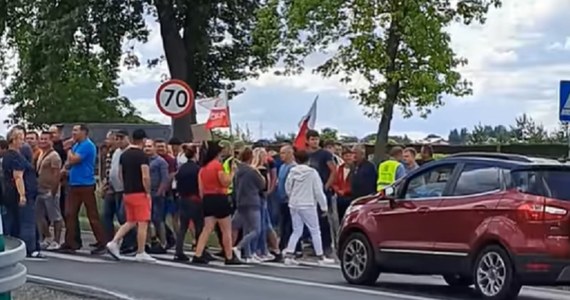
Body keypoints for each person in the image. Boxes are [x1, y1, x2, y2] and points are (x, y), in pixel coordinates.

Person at [106, 129, 156, 263]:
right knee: (143, 222)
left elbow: (120, 174)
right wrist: (148, 192)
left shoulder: (124, 155)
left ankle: (114, 241)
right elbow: (145, 176)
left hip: (127, 192)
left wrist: (126, 186)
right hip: (140, 192)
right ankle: (141, 251)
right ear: (144, 140)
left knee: (131, 221)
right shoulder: (142, 156)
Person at [60, 124, 106, 254]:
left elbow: (74, 159)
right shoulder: (77, 145)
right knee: (70, 213)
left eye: (76, 130)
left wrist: (68, 149)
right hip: (74, 183)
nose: (73, 133)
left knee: (92, 214)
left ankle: (102, 242)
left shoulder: (87, 145)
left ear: (84, 132)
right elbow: (69, 162)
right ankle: (71, 242)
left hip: (85, 184)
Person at [192, 141, 240, 265]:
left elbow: (200, 188)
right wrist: (232, 172)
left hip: (208, 198)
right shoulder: (217, 166)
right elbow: (225, 182)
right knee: (226, 229)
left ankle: (198, 253)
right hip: (219, 196)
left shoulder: (203, 168)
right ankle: (229, 256)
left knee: (207, 228)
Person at [283, 149, 334, 265]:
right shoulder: (312, 173)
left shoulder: (292, 171)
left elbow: (288, 187)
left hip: (294, 204)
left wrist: (291, 196)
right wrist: (324, 207)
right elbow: (318, 191)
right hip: (308, 204)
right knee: (315, 230)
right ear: (308, 160)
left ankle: (289, 255)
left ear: (296, 159)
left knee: (296, 231)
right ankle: (320, 257)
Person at [2, 127, 43, 258]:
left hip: (13, 193)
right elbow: (18, 176)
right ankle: (29, 248)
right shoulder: (14, 156)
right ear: (13, 140)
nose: (23, 141)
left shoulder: (10, 155)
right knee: (27, 221)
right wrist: (22, 195)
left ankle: (19, 247)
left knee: (16, 221)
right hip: (21, 192)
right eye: (20, 138)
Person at [103, 129, 136, 254]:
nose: (118, 141)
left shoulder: (130, 152)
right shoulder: (116, 152)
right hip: (114, 188)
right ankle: (110, 242)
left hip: (125, 189)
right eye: (116, 139)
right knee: (107, 215)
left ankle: (130, 243)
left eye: (121, 138)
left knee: (124, 217)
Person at [231, 148, 265, 263]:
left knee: (246, 228)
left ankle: (248, 255)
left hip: (241, 202)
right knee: (256, 229)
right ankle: (238, 247)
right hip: (252, 201)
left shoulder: (237, 171)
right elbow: (262, 185)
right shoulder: (252, 171)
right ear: (251, 158)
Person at [305, 130, 336, 256]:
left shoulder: (325, 154)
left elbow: (334, 171)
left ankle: (327, 246)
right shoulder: (306, 154)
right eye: (312, 139)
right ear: (307, 140)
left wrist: (326, 186)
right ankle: (315, 245)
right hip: (308, 192)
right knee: (312, 220)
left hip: (322, 190)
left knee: (323, 218)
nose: (314, 141)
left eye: (316, 139)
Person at [173, 145, 203, 261]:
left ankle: (178, 251)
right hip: (194, 199)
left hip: (183, 198)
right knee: (199, 226)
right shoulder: (197, 169)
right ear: (196, 154)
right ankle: (200, 249)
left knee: (183, 227)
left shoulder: (181, 168)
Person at [35, 131, 63, 250]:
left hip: (50, 190)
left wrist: (54, 191)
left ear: (51, 141)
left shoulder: (54, 156)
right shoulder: (41, 154)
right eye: (41, 139)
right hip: (39, 189)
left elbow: (56, 175)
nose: (42, 141)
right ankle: (47, 237)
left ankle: (56, 240)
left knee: (55, 216)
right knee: (39, 215)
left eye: (45, 139)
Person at [275, 144, 301, 258]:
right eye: (281, 153)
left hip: (290, 200)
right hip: (281, 200)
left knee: (290, 225)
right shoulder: (282, 167)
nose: (281, 156)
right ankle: (289, 246)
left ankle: (290, 247)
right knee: (284, 224)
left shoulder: (294, 168)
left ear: (291, 154)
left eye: (283, 153)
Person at [145, 139, 170, 253]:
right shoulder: (145, 161)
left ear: (154, 148)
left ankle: (163, 243)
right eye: (146, 146)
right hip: (146, 194)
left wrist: (160, 192)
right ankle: (148, 242)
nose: (147, 148)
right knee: (146, 220)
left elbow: (165, 178)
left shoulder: (161, 162)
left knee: (158, 219)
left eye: (150, 146)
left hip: (157, 195)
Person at [155, 139, 177, 248]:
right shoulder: (151, 159)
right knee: (157, 218)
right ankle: (166, 238)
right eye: (158, 147)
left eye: (162, 147)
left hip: (166, 194)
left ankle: (168, 240)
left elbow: (171, 176)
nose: (160, 149)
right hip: (154, 192)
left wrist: (164, 188)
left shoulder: (170, 160)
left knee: (160, 218)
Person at [333, 148, 354, 220]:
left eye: (350, 155)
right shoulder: (339, 168)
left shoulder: (356, 169)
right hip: (340, 197)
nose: (348, 158)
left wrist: (345, 191)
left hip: (351, 197)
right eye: (346, 156)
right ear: (342, 157)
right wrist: (337, 190)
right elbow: (334, 182)